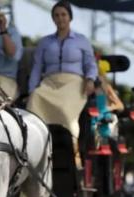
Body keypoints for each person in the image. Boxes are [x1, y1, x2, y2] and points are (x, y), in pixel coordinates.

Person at [26, 0, 98, 166]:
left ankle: (74, 153)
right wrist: (31, 89)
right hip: (50, 82)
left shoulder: (81, 40)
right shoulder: (45, 42)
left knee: (65, 109)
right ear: (53, 19)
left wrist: (90, 80)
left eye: (63, 15)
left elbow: (90, 64)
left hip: (74, 83)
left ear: (70, 17)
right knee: (35, 99)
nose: (60, 18)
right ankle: (32, 150)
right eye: (57, 15)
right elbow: (37, 68)